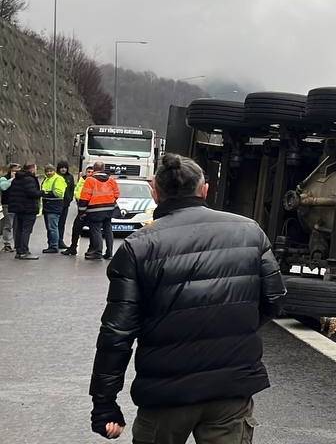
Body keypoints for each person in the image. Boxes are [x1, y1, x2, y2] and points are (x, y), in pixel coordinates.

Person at [90, 153, 285, 442]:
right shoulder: (249, 231)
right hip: (230, 389)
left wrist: (104, 404)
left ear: (156, 192)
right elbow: (274, 300)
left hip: (165, 394)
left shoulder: (138, 246)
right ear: (204, 189)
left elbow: (117, 333)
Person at [78, 162, 121, 261]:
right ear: (103, 168)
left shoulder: (90, 180)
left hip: (95, 209)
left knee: (96, 230)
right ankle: (109, 252)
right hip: (109, 208)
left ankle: (97, 252)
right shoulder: (111, 180)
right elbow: (117, 194)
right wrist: (108, 200)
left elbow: (84, 197)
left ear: (94, 169)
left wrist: (82, 211)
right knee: (108, 229)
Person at [7, 162, 43, 260]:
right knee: (26, 230)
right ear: (31, 169)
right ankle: (24, 251)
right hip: (28, 208)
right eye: (35, 168)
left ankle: (19, 250)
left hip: (18, 209)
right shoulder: (29, 179)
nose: (36, 170)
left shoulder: (17, 178)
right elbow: (32, 193)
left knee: (19, 230)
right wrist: (42, 192)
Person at [40, 164, 68, 254]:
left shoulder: (58, 179)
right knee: (49, 227)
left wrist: (46, 193)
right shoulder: (46, 179)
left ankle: (54, 246)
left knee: (53, 227)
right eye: (47, 171)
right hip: (47, 206)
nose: (48, 173)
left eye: (50, 171)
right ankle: (51, 244)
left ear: (54, 171)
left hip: (54, 206)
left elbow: (59, 193)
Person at [57, 160, 78, 252]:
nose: (63, 169)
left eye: (65, 168)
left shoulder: (70, 177)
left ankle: (60, 241)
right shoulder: (56, 177)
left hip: (65, 204)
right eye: (61, 167)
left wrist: (69, 199)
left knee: (62, 223)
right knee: (55, 224)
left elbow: (71, 189)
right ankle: (54, 241)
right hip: (56, 203)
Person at [0, 162, 17, 252]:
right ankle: (7, 244)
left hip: (17, 204)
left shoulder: (20, 179)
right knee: (8, 225)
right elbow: (3, 187)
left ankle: (17, 244)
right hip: (7, 204)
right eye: (14, 170)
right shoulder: (4, 178)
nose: (16, 172)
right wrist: (12, 179)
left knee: (17, 225)